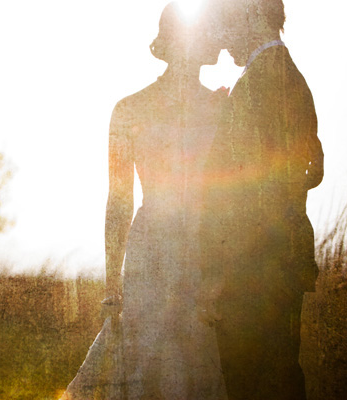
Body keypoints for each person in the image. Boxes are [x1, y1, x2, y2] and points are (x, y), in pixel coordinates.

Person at [60, 2, 228, 398]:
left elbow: (119, 203)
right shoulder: (216, 108)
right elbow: (119, 201)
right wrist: (112, 284)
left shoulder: (133, 108)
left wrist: (111, 284)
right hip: (180, 251)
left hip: (166, 249)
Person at [201, 0, 324, 399]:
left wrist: (219, 275)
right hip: (281, 262)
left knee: (254, 378)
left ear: (252, 17)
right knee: (281, 373)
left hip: (254, 271)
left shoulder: (262, 82)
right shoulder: (289, 77)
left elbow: (245, 192)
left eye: (226, 24)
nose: (222, 38)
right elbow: (307, 168)